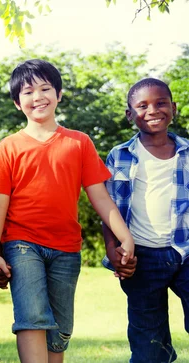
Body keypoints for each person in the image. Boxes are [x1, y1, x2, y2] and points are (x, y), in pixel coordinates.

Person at [0, 59, 135, 363]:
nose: (37, 96)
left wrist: (124, 237)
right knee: (32, 316)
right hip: (22, 243)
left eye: (45, 88)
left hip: (66, 248)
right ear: (17, 102)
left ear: (59, 94)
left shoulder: (79, 142)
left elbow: (101, 199)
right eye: (28, 91)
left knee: (60, 329)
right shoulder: (8, 147)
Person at [103, 78, 188, 363]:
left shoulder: (187, 153)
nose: (153, 110)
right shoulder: (120, 155)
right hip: (141, 258)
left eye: (161, 103)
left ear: (173, 108)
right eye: (142, 106)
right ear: (130, 115)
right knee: (148, 346)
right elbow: (109, 207)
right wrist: (112, 249)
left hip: (186, 252)